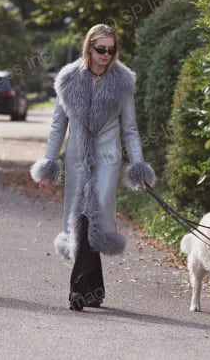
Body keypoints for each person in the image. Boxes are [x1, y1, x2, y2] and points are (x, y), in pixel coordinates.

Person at [30, 24, 155, 310]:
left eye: (111, 50)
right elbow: (57, 126)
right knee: (83, 219)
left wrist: (138, 167)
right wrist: (49, 165)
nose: (106, 55)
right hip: (77, 161)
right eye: (101, 49)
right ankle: (94, 289)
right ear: (88, 47)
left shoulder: (123, 81)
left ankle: (77, 290)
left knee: (92, 215)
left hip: (108, 160)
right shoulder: (68, 80)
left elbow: (131, 129)